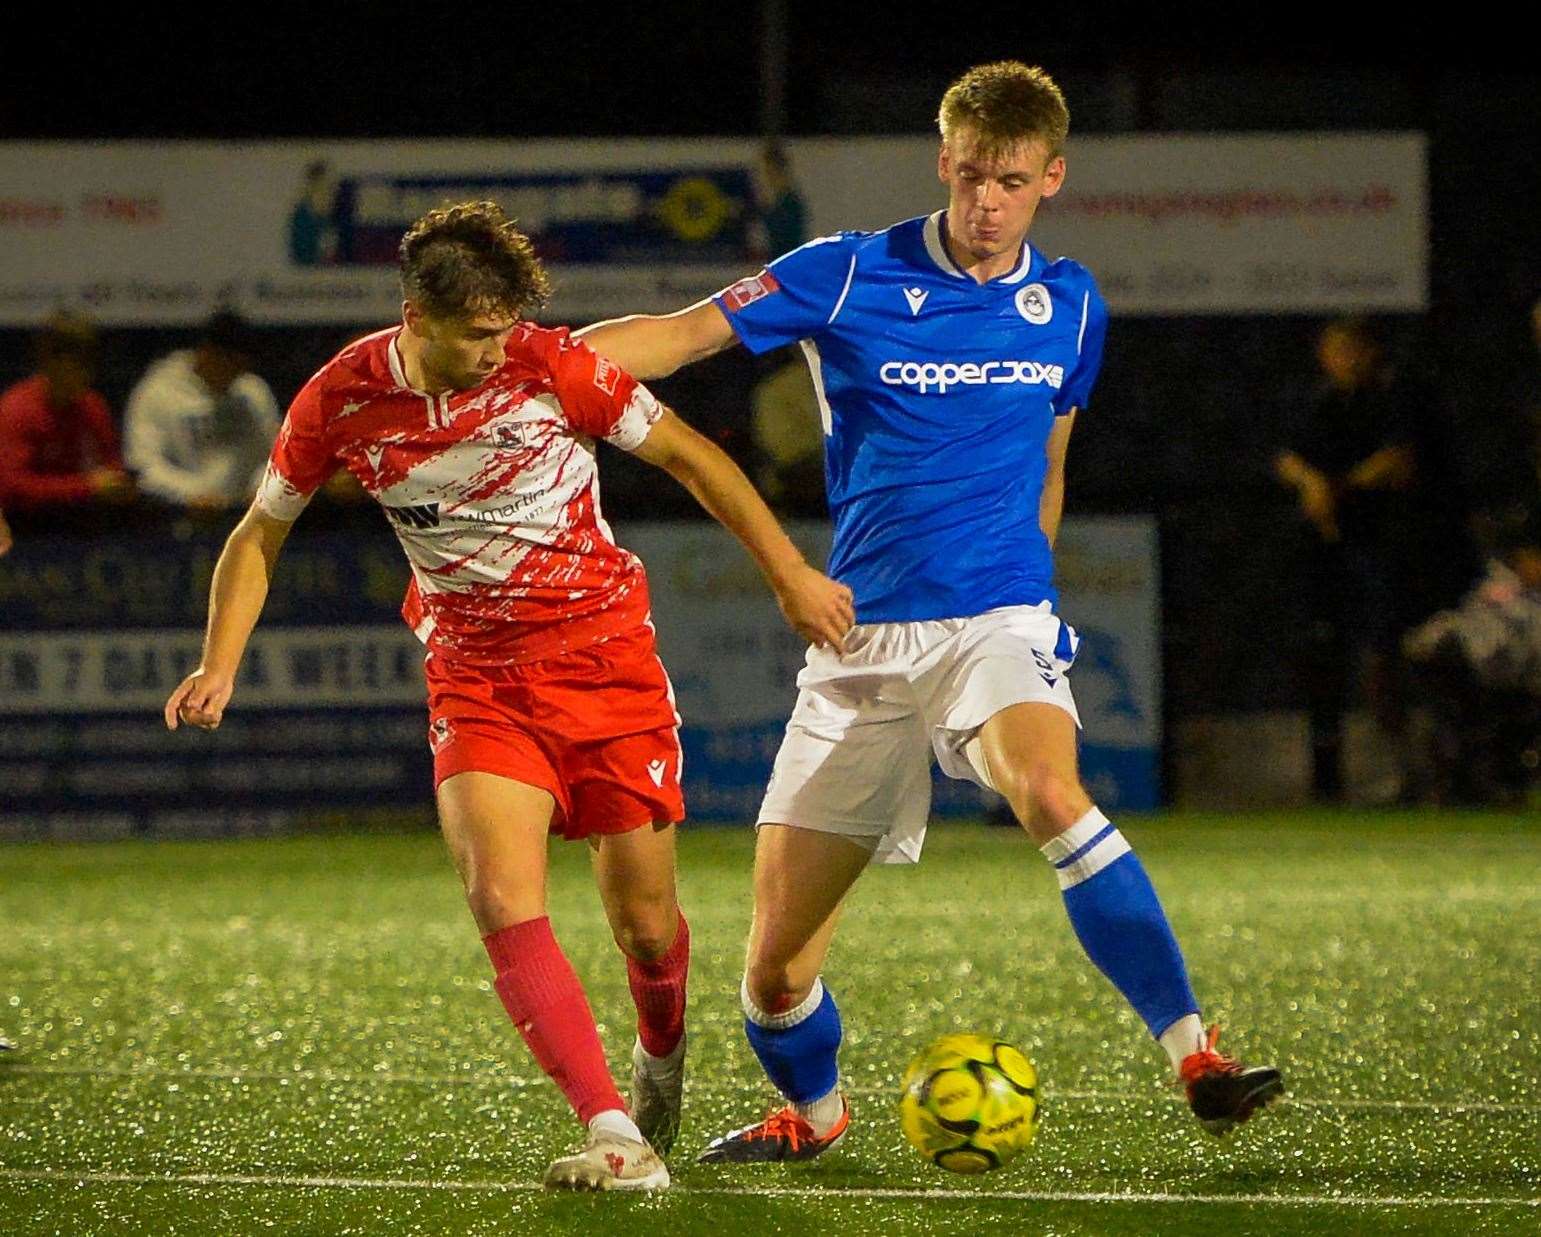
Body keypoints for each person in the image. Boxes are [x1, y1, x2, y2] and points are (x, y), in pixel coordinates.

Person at [578, 60, 1283, 1162]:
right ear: (940, 164)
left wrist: (1025, 590)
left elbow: (1050, 458)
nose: (984, 202)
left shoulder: (1073, 303)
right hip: (859, 644)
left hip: (995, 620)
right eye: (966, 177)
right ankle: (812, 1116)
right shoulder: (847, 274)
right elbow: (681, 336)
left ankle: (1196, 1053)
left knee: (1047, 789)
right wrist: (531, 365)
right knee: (770, 975)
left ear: (1049, 176)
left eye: (1008, 181)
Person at [162, 201, 852, 1191]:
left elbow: (691, 456)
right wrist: (219, 660)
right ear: (415, 315)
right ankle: (612, 1129)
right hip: (478, 677)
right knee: (497, 893)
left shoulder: (553, 366)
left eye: (502, 328)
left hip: (605, 661)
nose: (497, 350)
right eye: (477, 332)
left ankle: (659, 1059)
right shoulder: (341, 396)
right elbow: (259, 534)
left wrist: (787, 570)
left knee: (647, 928)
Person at [1275, 317, 1469, 803]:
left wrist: (1339, 489)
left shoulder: (1399, 397)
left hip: (1389, 549)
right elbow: (1286, 457)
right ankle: (1327, 776)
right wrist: (1311, 484)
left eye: (1352, 350)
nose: (1344, 360)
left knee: (1385, 657)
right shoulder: (1317, 402)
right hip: (1325, 552)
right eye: (1334, 351)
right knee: (1320, 653)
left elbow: (1398, 462)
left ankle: (1413, 769)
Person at [124, 310, 282, 512]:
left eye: (243, 368)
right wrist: (191, 494)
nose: (236, 375)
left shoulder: (252, 390)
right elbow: (143, 466)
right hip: (178, 514)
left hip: (244, 514)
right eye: (231, 365)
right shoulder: (156, 392)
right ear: (207, 353)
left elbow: (273, 456)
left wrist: (260, 488)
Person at [0, 314, 133, 513]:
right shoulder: (17, 409)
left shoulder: (93, 405)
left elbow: (111, 466)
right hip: (26, 527)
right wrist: (85, 488)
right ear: (50, 363)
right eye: (78, 365)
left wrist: (119, 486)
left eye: (90, 364)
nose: (87, 374)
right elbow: (11, 487)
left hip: (83, 519)